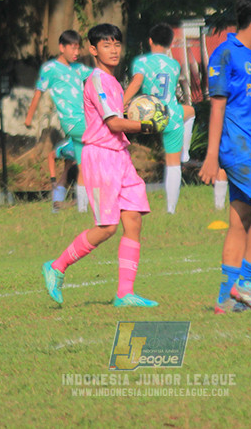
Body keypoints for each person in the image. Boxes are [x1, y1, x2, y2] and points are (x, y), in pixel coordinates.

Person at [42, 24, 166, 308]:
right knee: (107, 227)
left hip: (120, 155)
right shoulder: (97, 80)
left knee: (133, 220)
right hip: (101, 157)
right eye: (106, 45)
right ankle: (57, 266)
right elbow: (113, 123)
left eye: (117, 45)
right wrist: (146, 125)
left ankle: (124, 294)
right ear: (93, 50)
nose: (113, 50)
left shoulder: (112, 81)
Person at [199, 0, 251, 313]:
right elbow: (217, 107)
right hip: (238, 149)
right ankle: (247, 283)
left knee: (241, 220)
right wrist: (211, 156)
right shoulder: (225, 54)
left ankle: (225, 299)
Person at [123, 23, 189, 214]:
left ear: (150, 40)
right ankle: (171, 208)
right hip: (171, 115)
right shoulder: (174, 65)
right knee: (173, 163)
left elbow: (137, 83)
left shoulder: (141, 61)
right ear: (170, 44)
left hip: (147, 114)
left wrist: (122, 103)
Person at [24, 31, 93, 213]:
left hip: (85, 119)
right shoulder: (50, 68)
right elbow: (38, 92)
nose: (76, 52)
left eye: (78, 48)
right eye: (72, 48)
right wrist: (29, 117)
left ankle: (82, 210)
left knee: (83, 165)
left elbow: (99, 75)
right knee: (102, 145)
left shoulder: (79, 69)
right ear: (62, 47)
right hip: (72, 120)